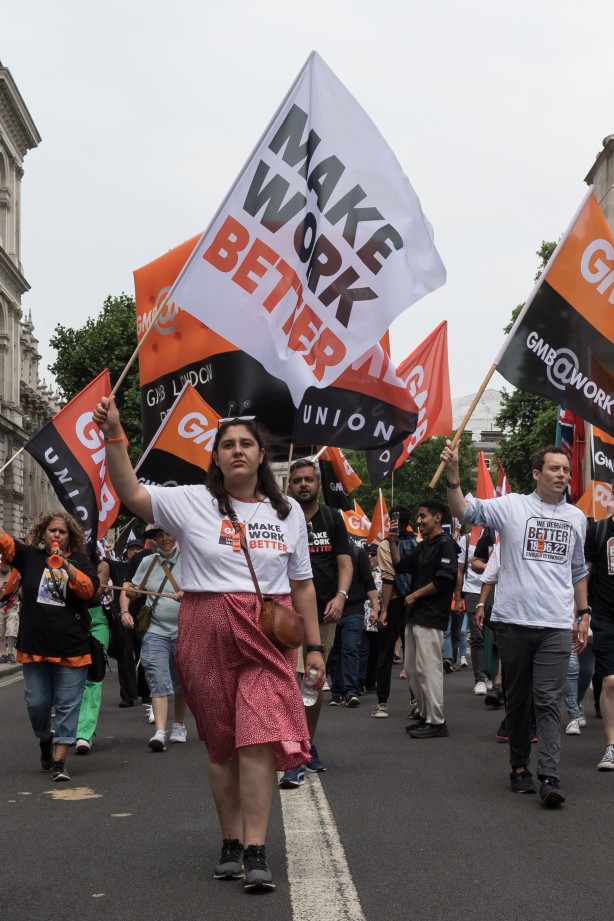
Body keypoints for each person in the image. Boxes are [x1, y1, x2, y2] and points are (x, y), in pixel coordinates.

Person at [93, 397, 324, 893]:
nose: (237, 451)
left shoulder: (287, 513)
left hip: (266, 630)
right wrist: (115, 435)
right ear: (216, 457)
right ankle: (230, 842)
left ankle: (257, 850)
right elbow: (130, 491)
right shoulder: (191, 500)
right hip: (204, 627)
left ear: (262, 456)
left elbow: (302, 585)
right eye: (228, 445)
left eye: (246, 444)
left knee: (257, 737)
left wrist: (314, 648)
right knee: (222, 747)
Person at [441, 441, 589, 806]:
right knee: (518, 699)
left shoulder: (576, 518)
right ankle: (519, 766)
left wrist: (583, 615)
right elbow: (465, 512)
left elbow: (577, 570)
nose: (562, 475)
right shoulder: (512, 507)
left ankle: (550, 776)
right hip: (513, 622)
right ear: (537, 473)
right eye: (554, 469)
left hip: (555, 623)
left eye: (566, 470)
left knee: (549, 700)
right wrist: (453, 476)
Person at [0, 510, 99, 782]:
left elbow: (89, 591)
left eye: (62, 532)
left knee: (68, 705)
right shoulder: (29, 556)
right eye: (52, 530)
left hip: (72, 648)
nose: (56, 535)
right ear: (43, 533)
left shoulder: (80, 561)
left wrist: (66, 565)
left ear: (70, 537)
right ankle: (45, 738)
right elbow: (5, 543)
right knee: (37, 703)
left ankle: (59, 761)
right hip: (35, 646)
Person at [279, 458, 352, 786]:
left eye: (309, 479)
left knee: (313, 680)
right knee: (293, 680)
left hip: (323, 612)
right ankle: (293, 749)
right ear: (289, 485)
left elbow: (345, 563)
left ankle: (306, 742)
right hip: (283, 614)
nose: (303, 485)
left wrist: (341, 596)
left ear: (318, 484)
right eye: (297, 480)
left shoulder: (332, 518)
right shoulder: (280, 515)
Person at [389, 499, 459, 738]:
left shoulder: (446, 544)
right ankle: (425, 714)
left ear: (437, 518)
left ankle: (437, 721)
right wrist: (390, 541)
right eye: (418, 517)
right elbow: (401, 566)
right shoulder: (423, 545)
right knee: (412, 668)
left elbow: (444, 579)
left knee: (429, 669)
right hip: (415, 615)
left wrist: (414, 595)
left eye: (422, 516)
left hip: (431, 616)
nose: (418, 521)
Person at [125, 527, 187, 751]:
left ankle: (179, 724)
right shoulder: (147, 562)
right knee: (157, 677)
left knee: (181, 681)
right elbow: (134, 588)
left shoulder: (190, 560)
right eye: (159, 535)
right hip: (155, 630)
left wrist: (187, 593)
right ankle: (160, 731)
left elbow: (204, 590)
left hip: (184, 631)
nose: (165, 539)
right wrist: (131, 592)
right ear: (154, 541)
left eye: (168, 534)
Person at [372, 505, 416, 719]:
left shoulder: (385, 545)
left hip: (396, 601)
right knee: (413, 654)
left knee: (385, 654)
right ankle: (415, 700)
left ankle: (382, 703)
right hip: (415, 602)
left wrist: (384, 610)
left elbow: (388, 578)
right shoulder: (418, 541)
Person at [327, 541, 378, 706]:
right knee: (334, 654)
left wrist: (376, 608)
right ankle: (337, 692)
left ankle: (350, 691)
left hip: (353, 610)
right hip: (331, 611)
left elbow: (368, 581)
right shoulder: (326, 552)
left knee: (350, 649)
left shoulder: (357, 552)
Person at [584, 495, 614, 770]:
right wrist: (581, 612)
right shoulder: (598, 531)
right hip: (605, 617)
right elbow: (585, 573)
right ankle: (611, 745)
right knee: (609, 682)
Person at [75, 547, 112, 754]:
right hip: (71, 621)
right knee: (71, 677)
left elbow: (94, 592)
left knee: (93, 678)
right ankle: (71, 726)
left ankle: (84, 733)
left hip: (96, 620)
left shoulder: (102, 566)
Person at [0, 556, 20, 663]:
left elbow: (20, 591)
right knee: (0, 632)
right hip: (0, 607)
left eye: (6, 563)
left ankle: (11, 652)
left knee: (12, 630)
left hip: (12, 606)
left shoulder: (14, 575)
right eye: (3, 563)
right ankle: (3, 654)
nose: (4, 565)